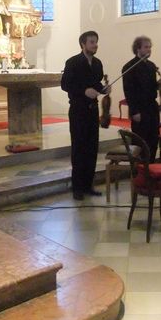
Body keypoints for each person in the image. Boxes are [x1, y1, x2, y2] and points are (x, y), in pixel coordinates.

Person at [61, 31, 110, 200]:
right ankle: (77, 187)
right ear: (83, 44)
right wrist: (83, 91)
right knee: (79, 148)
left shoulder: (97, 63)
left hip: (92, 110)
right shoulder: (73, 62)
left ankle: (89, 185)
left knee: (92, 148)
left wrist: (103, 89)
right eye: (91, 42)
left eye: (96, 42)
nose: (95, 45)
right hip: (78, 110)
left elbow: (96, 84)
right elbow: (65, 84)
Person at [122, 36, 161, 162]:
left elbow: (151, 87)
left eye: (150, 47)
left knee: (153, 139)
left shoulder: (151, 66)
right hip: (139, 108)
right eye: (146, 47)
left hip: (152, 107)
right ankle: (140, 172)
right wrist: (134, 111)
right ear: (138, 48)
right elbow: (129, 91)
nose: (149, 50)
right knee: (140, 140)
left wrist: (158, 84)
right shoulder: (129, 66)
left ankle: (152, 168)